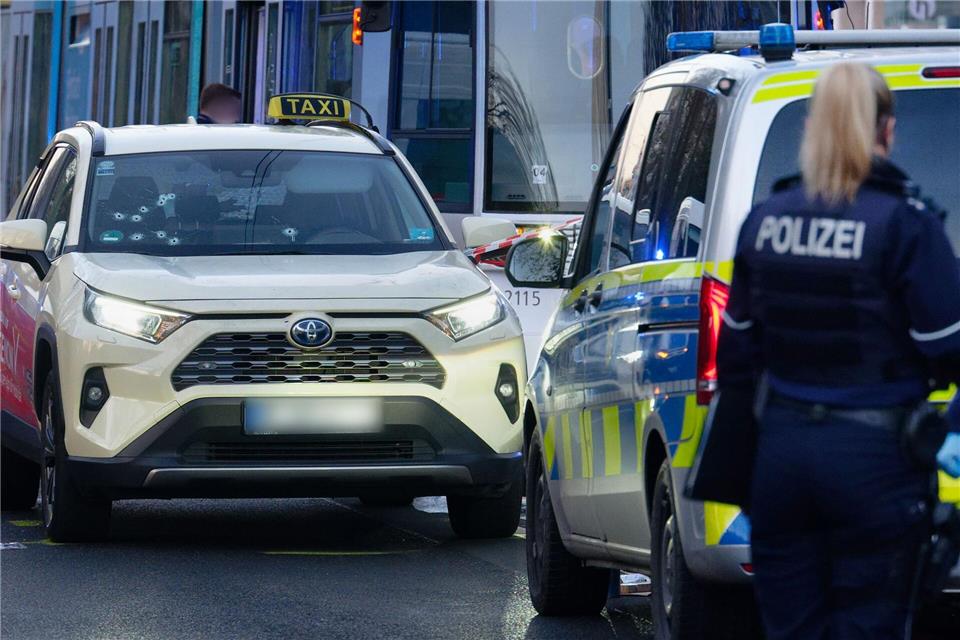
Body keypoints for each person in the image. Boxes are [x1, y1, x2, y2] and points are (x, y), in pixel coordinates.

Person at [717, 62, 960, 639]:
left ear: (813, 127)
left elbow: (736, 358)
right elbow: (949, 349)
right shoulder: (907, 224)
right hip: (875, 461)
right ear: (887, 131)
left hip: (781, 458)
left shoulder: (766, 220)